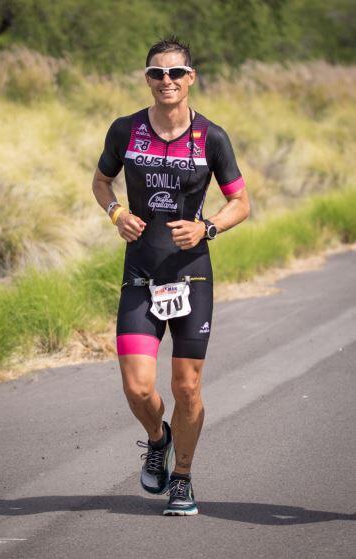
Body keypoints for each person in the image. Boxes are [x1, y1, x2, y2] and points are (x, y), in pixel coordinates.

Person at [92, 36, 250, 516]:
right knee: (139, 388)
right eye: (157, 73)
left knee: (186, 387)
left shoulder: (211, 137)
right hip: (140, 271)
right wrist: (116, 212)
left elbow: (241, 202)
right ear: (147, 78)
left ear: (191, 77)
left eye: (176, 73)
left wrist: (207, 227)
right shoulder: (125, 130)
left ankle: (181, 477)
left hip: (190, 276)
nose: (167, 81)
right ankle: (157, 438)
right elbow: (101, 182)